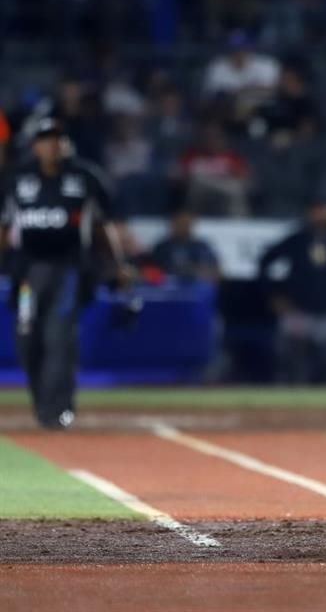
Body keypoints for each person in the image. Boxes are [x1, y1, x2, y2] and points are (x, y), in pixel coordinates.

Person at [0, 118, 127, 429]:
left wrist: (117, 264)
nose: (52, 145)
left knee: (59, 336)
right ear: (34, 146)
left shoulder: (84, 178)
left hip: (69, 270)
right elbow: (4, 228)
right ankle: (42, 402)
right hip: (28, 273)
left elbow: (101, 225)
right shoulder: (17, 179)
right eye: (45, 139)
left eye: (57, 138)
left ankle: (59, 409)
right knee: (27, 337)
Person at [259, 191, 326, 384]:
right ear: (308, 213)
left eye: (325, 209)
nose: (321, 214)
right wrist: (275, 296)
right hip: (297, 309)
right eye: (316, 210)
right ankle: (287, 396)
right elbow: (265, 262)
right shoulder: (297, 239)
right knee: (290, 358)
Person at [150, 207, 220, 284]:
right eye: (180, 223)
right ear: (172, 224)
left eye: (186, 223)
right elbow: (149, 272)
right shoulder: (161, 248)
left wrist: (194, 271)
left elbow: (216, 272)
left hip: (196, 290)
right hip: (167, 290)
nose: (183, 227)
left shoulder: (202, 247)